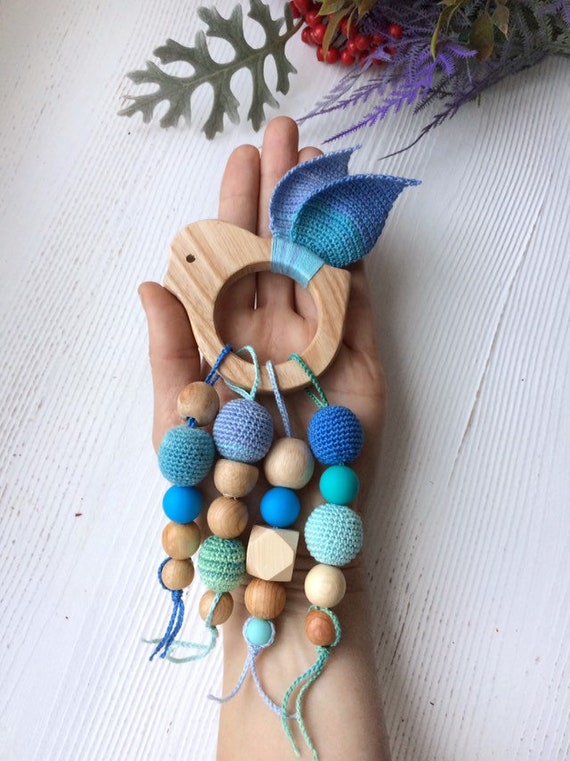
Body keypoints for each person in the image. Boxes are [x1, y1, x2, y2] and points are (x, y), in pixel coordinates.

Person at [139, 116, 392, 761]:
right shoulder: (222, 408)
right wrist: (291, 600)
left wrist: (297, 594)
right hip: (287, 583)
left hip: (299, 580)